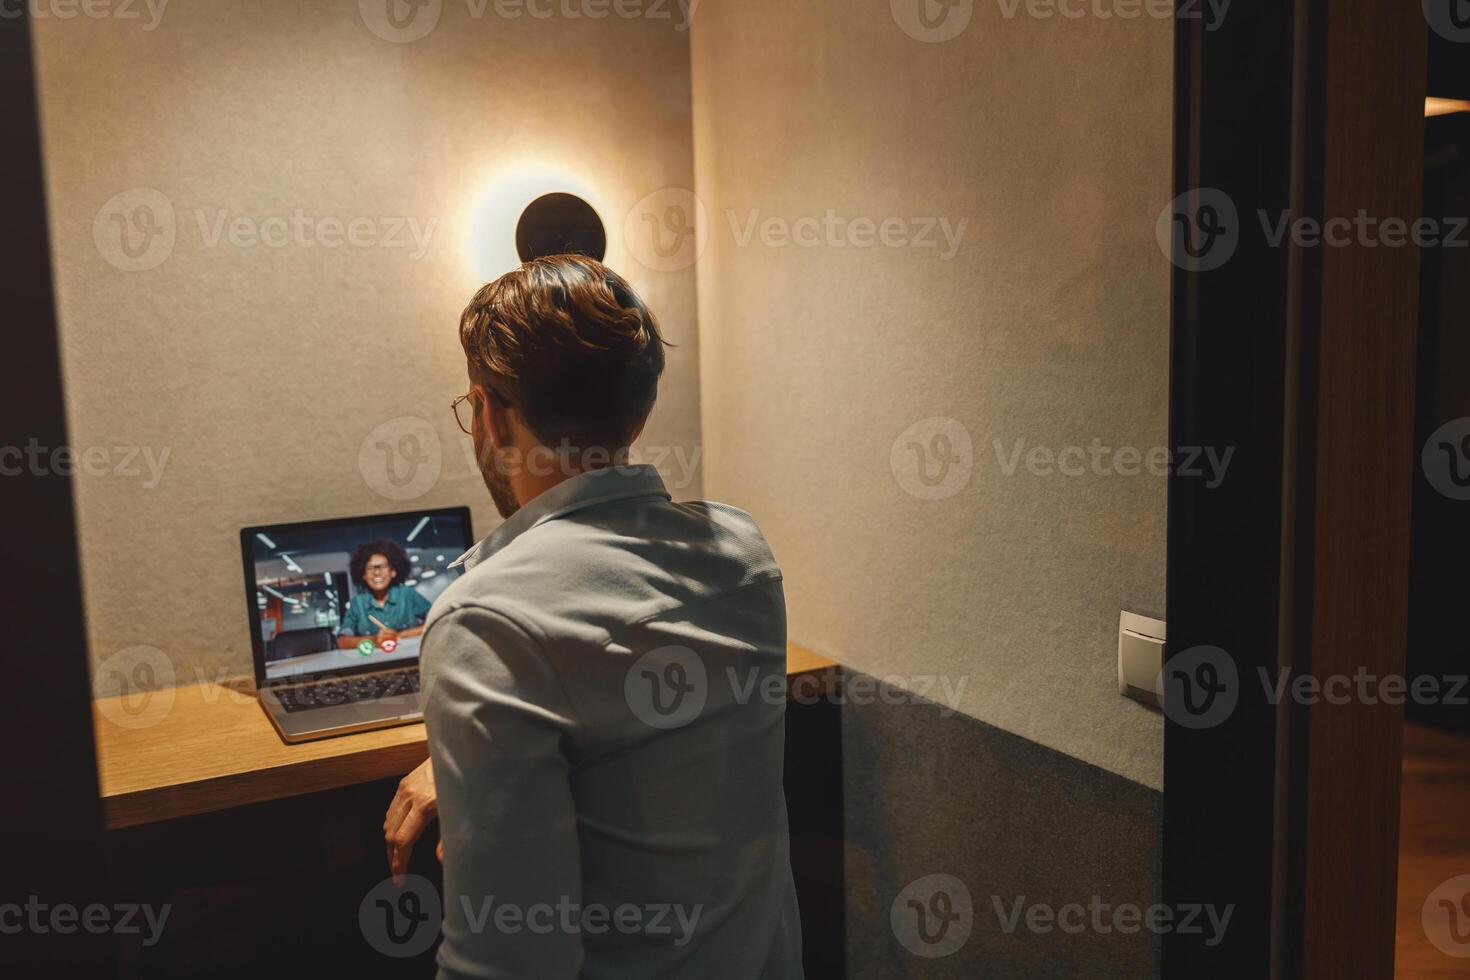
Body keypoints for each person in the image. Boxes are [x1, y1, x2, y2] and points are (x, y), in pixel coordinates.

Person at [381, 254, 803, 978]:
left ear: (488, 411)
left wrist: (478, 767)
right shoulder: (742, 551)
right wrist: (479, 764)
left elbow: (507, 962)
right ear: (637, 410)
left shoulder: (486, 619)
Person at [336, 539, 431, 650]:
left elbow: (436, 619)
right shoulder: (358, 604)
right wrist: (374, 640)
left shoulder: (407, 595)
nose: (377, 573)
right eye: (370, 568)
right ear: (364, 575)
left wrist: (401, 635)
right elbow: (342, 641)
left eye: (383, 567)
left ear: (393, 572)